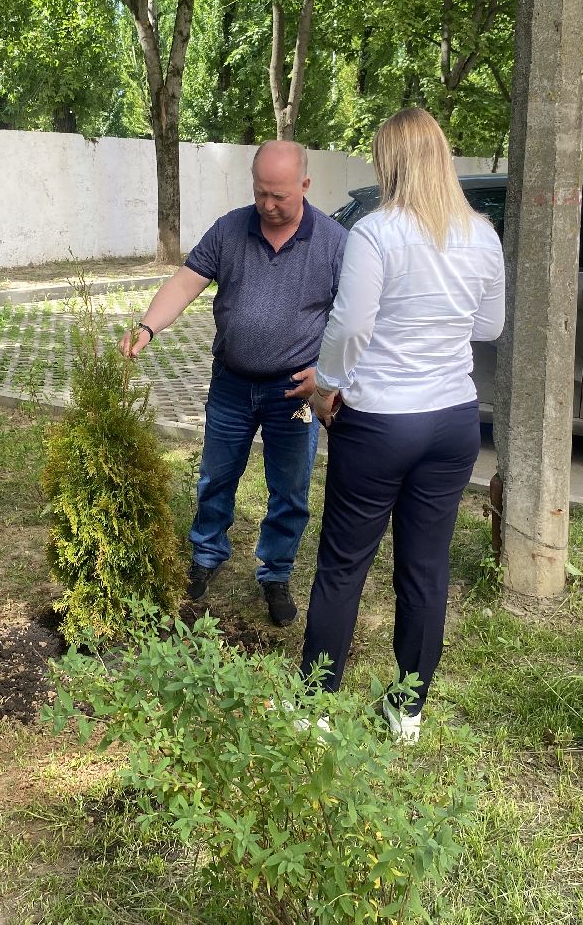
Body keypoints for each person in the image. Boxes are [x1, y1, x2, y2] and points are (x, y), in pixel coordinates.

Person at [300, 108, 505, 742]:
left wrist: (324, 385)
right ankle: (407, 709)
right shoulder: (483, 234)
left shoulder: (374, 233)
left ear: (389, 163)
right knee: (425, 566)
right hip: (452, 421)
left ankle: (314, 707)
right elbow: (489, 328)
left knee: (343, 563)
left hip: (382, 420)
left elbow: (352, 326)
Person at [120, 140, 347, 626]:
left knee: (289, 487)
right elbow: (186, 282)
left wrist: (329, 376)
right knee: (216, 476)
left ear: (304, 186)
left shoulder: (333, 241)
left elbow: (355, 317)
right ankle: (205, 557)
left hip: (296, 394)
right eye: (261, 192)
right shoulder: (229, 229)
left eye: (279, 196)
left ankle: (276, 573)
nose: (267, 204)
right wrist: (148, 326)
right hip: (231, 386)